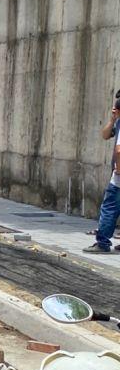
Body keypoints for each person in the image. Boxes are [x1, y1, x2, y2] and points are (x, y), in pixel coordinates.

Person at [84, 95, 120, 253]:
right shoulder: (118, 122)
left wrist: (118, 168)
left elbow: (119, 149)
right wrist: (113, 120)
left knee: (109, 208)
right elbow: (105, 135)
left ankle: (103, 243)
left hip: (119, 179)